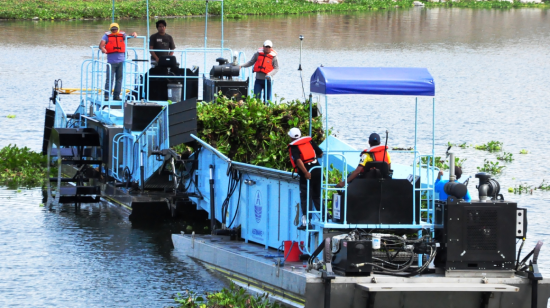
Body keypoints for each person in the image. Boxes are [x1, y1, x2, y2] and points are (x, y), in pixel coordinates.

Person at [287, 128, 323, 230]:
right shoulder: (309, 141)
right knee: (316, 196)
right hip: (317, 170)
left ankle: (306, 223)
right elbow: (320, 153)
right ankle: (325, 216)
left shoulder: (294, 146)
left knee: (305, 198)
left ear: (291, 137)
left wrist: (306, 172)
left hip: (307, 174)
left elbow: (298, 161)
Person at [99, 23, 137, 101]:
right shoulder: (106, 36)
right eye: (113, 29)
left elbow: (128, 37)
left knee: (119, 79)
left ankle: (116, 96)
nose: (114, 30)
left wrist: (133, 34)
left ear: (118, 29)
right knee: (109, 79)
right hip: (111, 62)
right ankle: (107, 95)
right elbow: (101, 45)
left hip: (121, 62)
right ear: (110, 29)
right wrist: (103, 49)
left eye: (115, 28)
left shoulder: (122, 35)